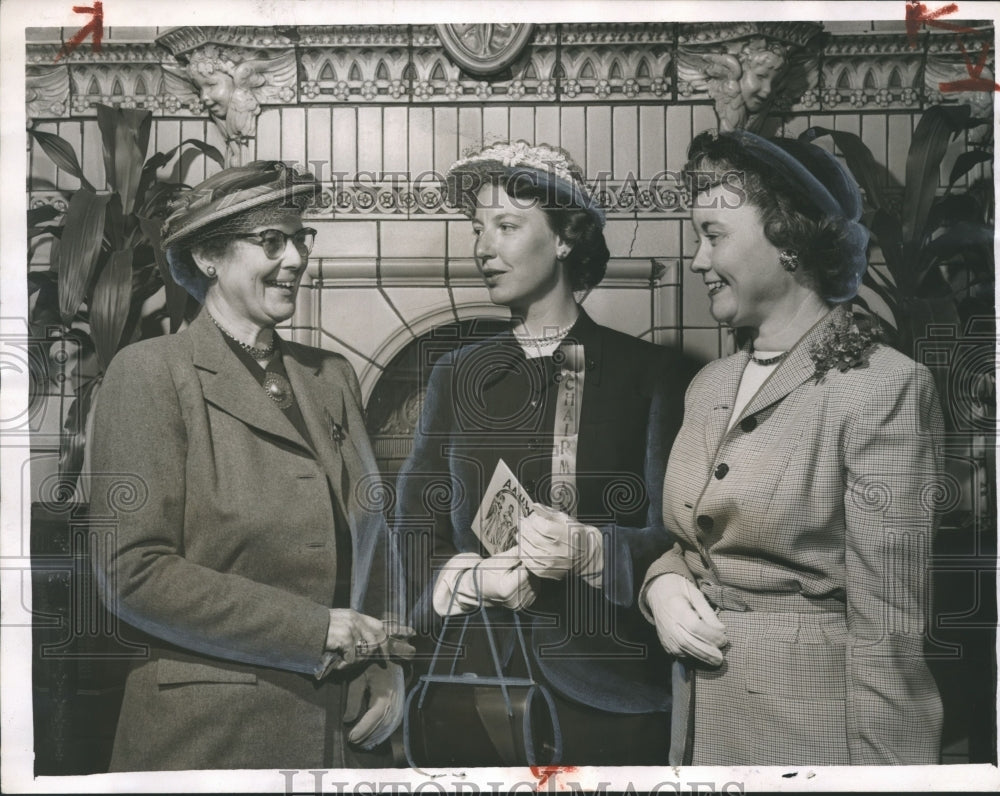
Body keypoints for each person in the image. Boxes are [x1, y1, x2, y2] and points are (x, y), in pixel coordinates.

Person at [90, 161, 411, 771]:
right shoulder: (150, 372)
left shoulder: (331, 377)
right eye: (271, 241)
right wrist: (314, 630)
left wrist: (384, 661)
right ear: (209, 258)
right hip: (208, 739)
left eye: (300, 239)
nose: (294, 259)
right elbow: (131, 573)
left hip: (339, 736)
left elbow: (375, 539)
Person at [641, 129, 944, 765]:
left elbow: (889, 627)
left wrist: (891, 781)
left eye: (713, 235)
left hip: (811, 735)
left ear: (787, 238)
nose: (697, 260)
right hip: (699, 730)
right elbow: (695, 543)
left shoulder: (883, 388)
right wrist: (662, 585)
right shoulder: (711, 384)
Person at [394, 141, 695, 765]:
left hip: (609, 701)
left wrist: (591, 551)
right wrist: (470, 578)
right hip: (475, 693)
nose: (483, 248)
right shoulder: (455, 374)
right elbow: (414, 527)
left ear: (564, 238)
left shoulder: (650, 375)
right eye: (479, 229)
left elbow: (676, 538)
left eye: (507, 226)